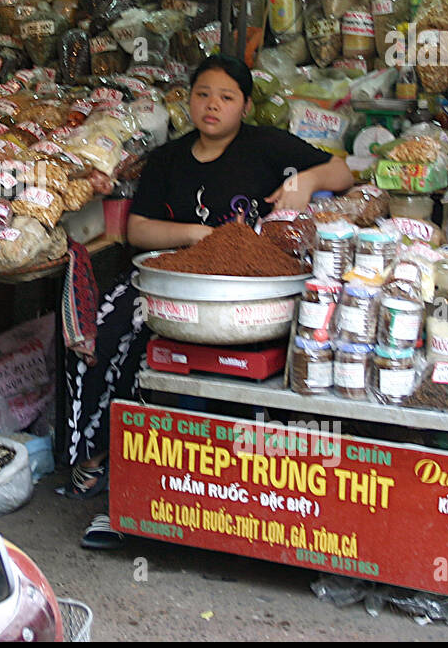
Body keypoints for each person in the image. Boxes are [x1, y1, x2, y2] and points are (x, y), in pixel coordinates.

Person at [63, 54, 354, 549]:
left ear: (244, 106)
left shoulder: (266, 146)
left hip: (249, 286)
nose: (212, 105)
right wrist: (199, 235)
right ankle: (100, 457)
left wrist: (306, 180)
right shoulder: (168, 159)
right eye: (202, 94)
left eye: (226, 97)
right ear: (189, 99)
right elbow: (137, 230)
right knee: (110, 326)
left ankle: (225, 491)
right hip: (173, 279)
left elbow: (343, 172)